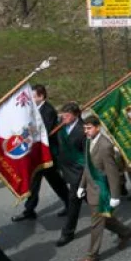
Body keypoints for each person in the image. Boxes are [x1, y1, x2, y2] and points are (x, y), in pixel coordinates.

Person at [77, 116, 131, 261]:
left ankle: (91, 255)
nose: (86, 131)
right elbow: (88, 166)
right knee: (105, 218)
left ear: (98, 127)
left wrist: (115, 195)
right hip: (91, 188)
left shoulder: (104, 146)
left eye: (89, 128)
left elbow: (112, 172)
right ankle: (126, 232)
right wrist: (82, 185)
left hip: (102, 191)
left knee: (96, 223)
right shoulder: (89, 141)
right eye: (85, 128)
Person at [12, 84, 69, 222]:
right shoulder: (34, 109)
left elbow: (45, 132)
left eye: (33, 96)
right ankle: (29, 210)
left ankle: (70, 202)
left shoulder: (47, 110)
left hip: (47, 154)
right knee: (33, 183)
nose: (31, 99)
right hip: (37, 155)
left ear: (41, 96)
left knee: (56, 181)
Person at [55, 103, 87, 247]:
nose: (64, 118)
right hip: (67, 169)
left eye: (67, 116)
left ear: (76, 115)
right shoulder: (61, 127)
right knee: (92, 201)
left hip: (79, 172)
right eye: (62, 115)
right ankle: (107, 214)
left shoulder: (83, 130)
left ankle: (68, 232)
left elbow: (87, 155)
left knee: (73, 200)